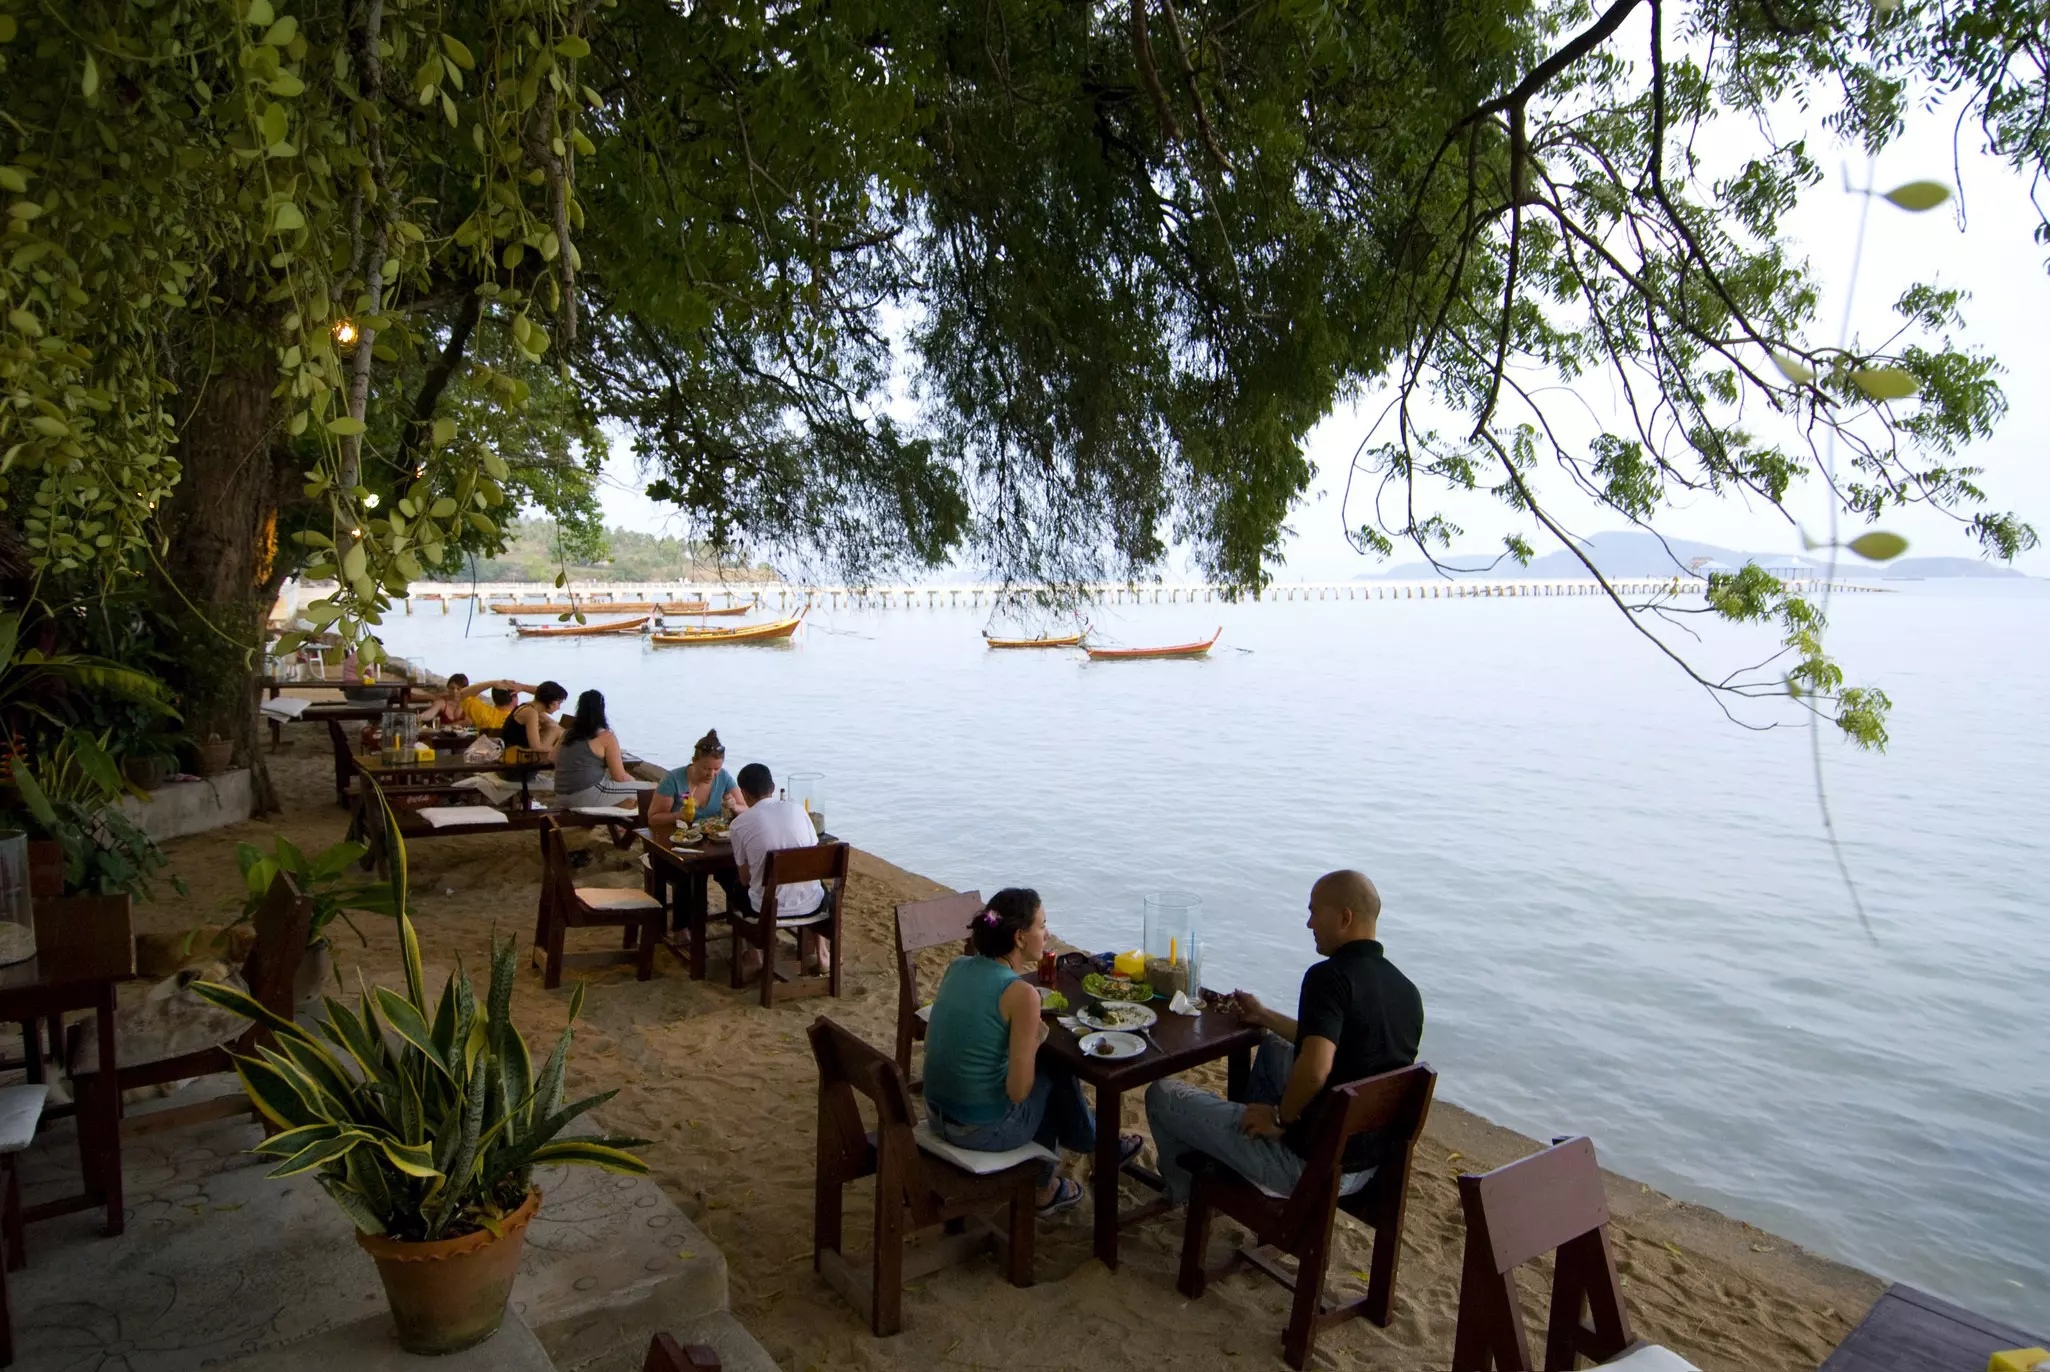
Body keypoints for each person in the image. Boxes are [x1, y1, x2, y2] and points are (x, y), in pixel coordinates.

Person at [1143, 870, 1423, 1206]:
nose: (1309, 924)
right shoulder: (1407, 992)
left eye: (1314, 912)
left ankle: (1186, 1194)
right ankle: (1241, 1139)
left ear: (1345, 918)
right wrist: (1264, 1016)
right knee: (1275, 1046)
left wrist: (1280, 1118)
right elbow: (1332, 1042)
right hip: (1365, 1166)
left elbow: (1317, 1069)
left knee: (1161, 1095)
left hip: (1308, 1167)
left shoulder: (1328, 977)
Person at [923, 888, 1143, 1214]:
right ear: (1019, 938)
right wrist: (1034, 1044)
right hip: (978, 1132)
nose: (1047, 933)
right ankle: (1050, 1183)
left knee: (1048, 1069)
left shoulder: (958, 966)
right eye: (1042, 925)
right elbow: (1018, 1092)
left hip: (936, 1115)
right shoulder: (1021, 994)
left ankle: (1097, 1144)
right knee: (1053, 1070)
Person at [725, 763, 826, 973]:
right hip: (812, 904)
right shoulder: (798, 809)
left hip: (766, 908)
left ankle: (754, 954)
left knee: (736, 889)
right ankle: (822, 953)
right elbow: (813, 851)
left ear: (744, 793)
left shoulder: (739, 824)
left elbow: (744, 879)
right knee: (818, 884)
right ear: (772, 787)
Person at [549, 690, 657, 808]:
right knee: (654, 788)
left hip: (561, 796)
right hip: (587, 795)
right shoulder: (606, 737)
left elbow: (552, 757)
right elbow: (620, 777)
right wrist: (634, 782)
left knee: (620, 789)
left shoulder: (568, 734)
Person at [649, 729, 740, 827]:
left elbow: (746, 809)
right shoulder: (673, 779)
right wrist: (678, 816)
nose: (711, 774)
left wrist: (734, 806)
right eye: (706, 768)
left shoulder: (723, 777)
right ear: (694, 761)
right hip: (678, 833)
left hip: (713, 833)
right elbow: (653, 819)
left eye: (716, 769)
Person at [422, 674, 532, 727]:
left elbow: (463, 695)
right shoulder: (525, 715)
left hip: (489, 759)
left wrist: (492, 683)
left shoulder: (485, 714)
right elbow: (542, 695)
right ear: (515, 698)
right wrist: (523, 687)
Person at [500, 680, 567, 759]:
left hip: (517, 752)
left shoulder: (530, 707)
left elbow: (554, 725)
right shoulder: (530, 712)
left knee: (555, 728)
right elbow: (536, 747)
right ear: (550, 702)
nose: (559, 707)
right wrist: (557, 750)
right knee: (554, 730)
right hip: (514, 756)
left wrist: (523, 687)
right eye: (559, 703)